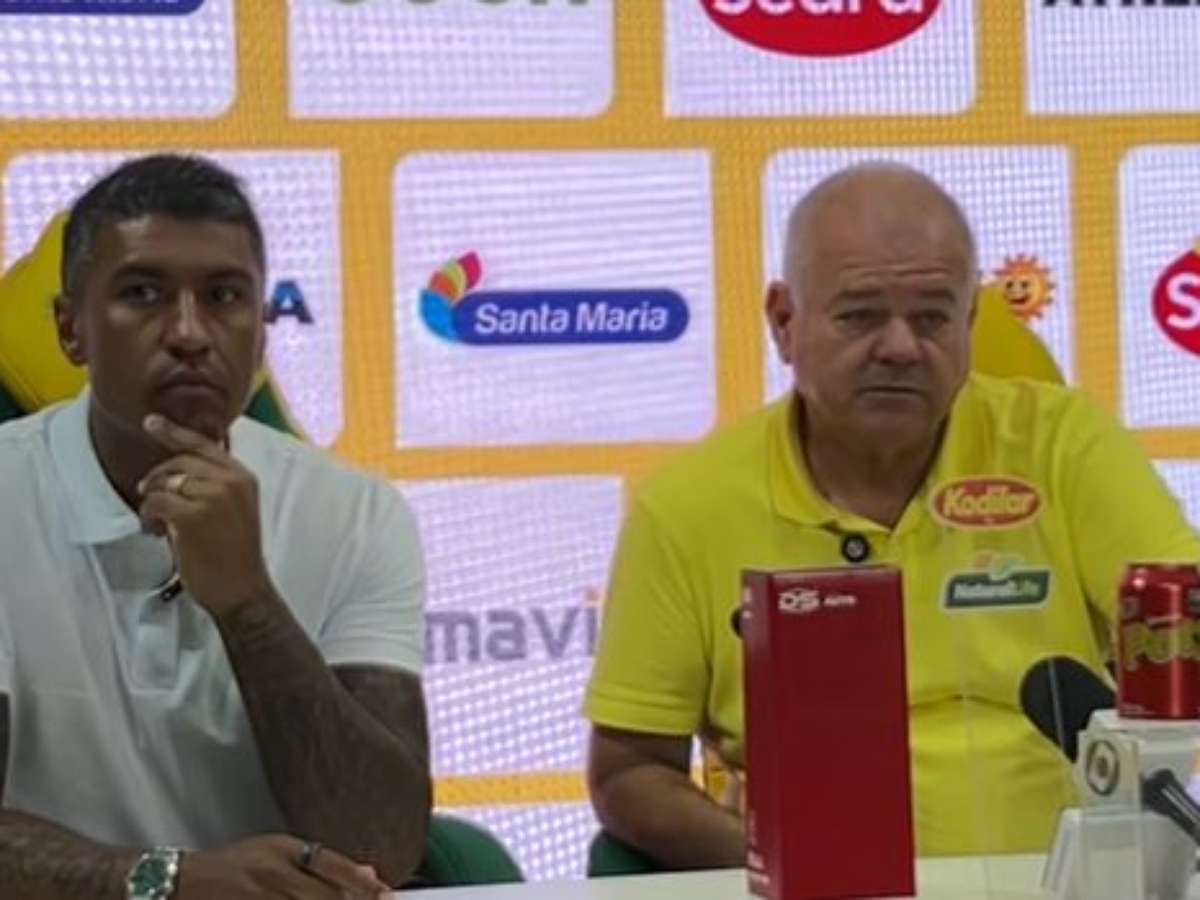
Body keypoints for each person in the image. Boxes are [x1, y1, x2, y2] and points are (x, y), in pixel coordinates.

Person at [583, 162, 1200, 867]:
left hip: (1062, 880)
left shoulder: (1062, 445)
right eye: (861, 315)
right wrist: (781, 866)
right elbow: (628, 772)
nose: (902, 348)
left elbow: (1184, 627)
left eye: (933, 317)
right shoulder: (687, 505)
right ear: (784, 322)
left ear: (969, 323)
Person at [0, 154, 431, 899]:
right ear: (71, 329)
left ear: (261, 334)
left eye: (224, 296)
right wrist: (162, 882)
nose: (189, 333)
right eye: (142, 294)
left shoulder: (357, 513)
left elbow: (381, 843)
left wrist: (248, 602)